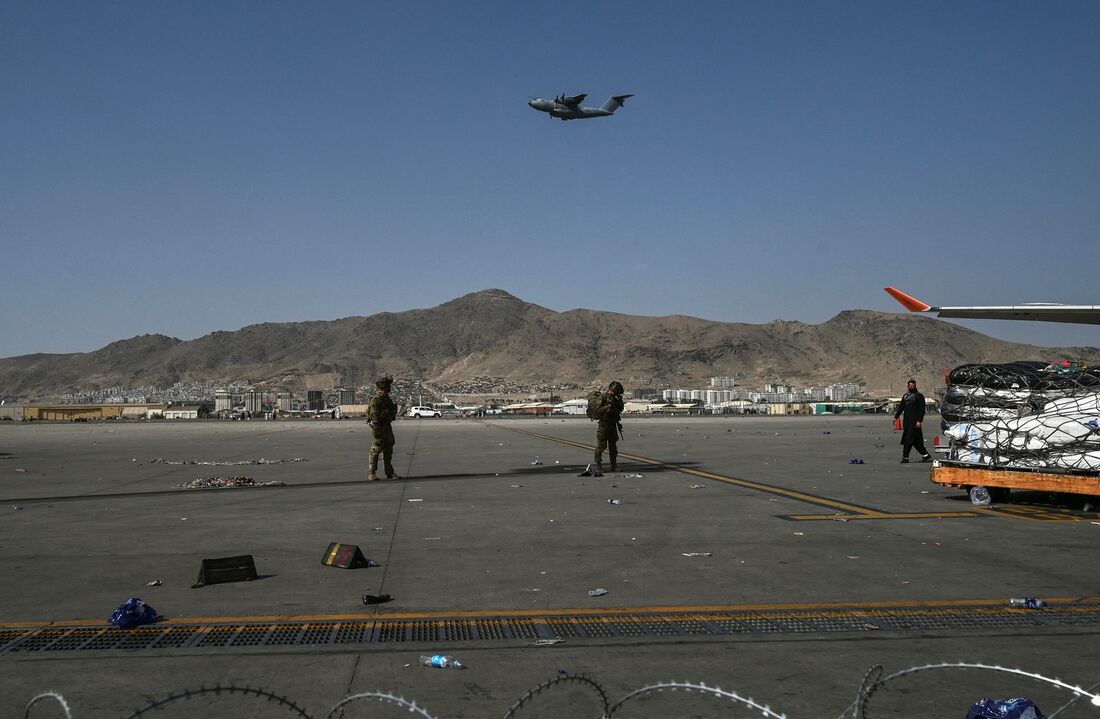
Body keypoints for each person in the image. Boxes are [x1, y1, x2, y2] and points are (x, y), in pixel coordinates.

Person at [368, 376, 401, 480]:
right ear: (384, 386)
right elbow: (374, 414)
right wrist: (376, 427)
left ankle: (389, 472)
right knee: (376, 449)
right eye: (388, 385)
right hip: (380, 427)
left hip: (387, 426)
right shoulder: (376, 399)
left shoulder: (387, 399)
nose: (389, 388)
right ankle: (372, 472)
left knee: (388, 450)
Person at [894, 378, 931, 463]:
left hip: (915, 422)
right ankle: (925, 454)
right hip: (906, 421)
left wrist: (919, 421)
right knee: (915, 440)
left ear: (915, 386)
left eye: (913, 386)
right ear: (908, 386)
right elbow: (901, 407)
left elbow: (922, 410)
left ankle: (905, 457)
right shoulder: (905, 396)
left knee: (908, 439)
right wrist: (896, 417)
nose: (912, 387)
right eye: (910, 386)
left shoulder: (919, 396)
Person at [594, 381, 625, 473]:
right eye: (615, 391)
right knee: (601, 447)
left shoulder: (616, 398)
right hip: (603, 425)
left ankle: (613, 466)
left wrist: (618, 401)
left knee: (613, 448)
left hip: (613, 425)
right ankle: (598, 465)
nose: (615, 393)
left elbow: (621, 408)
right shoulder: (602, 397)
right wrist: (607, 407)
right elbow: (597, 411)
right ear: (611, 389)